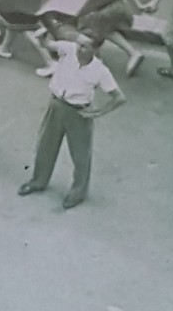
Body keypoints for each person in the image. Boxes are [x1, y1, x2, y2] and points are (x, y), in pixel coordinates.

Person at [18, 30, 126, 209]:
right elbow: (46, 44)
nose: (78, 48)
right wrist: (43, 33)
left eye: (84, 46)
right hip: (56, 104)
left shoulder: (100, 70)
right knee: (46, 145)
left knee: (80, 155)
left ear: (96, 49)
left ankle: (78, 193)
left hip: (78, 111)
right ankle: (38, 181)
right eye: (79, 43)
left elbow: (119, 98)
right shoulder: (68, 49)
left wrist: (98, 112)